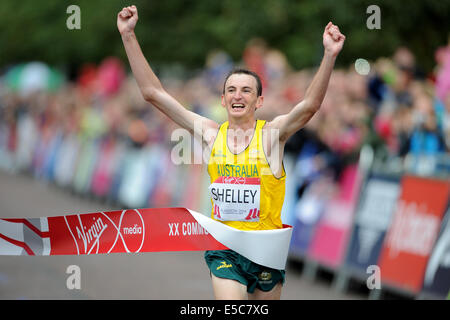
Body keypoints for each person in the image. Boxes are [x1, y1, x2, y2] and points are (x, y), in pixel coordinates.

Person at [117, 5, 345, 300]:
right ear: (223, 100)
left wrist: (329, 56)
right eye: (232, 90)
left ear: (259, 100)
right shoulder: (211, 134)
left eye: (247, 90)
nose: (238, 95)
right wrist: (129, 35)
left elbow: (309, 106)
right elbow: (153, 93)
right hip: (225, 249)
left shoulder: (272, 136)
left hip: (266, 250)